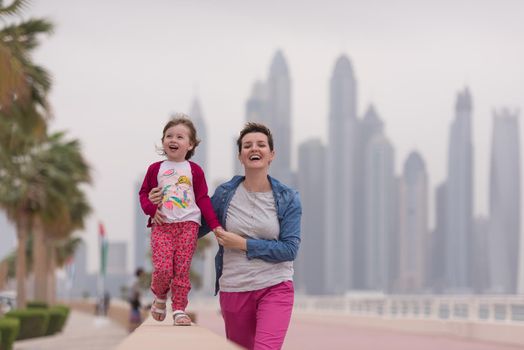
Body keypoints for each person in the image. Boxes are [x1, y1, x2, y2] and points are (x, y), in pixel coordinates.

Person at [150, 122, 301, 349]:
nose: (254, 149)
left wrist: (243, 244)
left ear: (271, 154)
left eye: (261, 145)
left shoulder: (288, 198)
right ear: (240, 155)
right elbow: (193, 227)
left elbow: (289, 250)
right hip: (234, 290)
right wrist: (164, 207)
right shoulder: (225, 194)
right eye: (247, 145)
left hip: (275, 286)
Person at [139, 114, 222, 326]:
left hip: (188, 225)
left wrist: (214, 225)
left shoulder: (194, 171)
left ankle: (179, 308)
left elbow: (203, 199)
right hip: (162, 226)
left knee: (182, 270)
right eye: (169, 136)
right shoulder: (155, 169)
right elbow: (144, 194)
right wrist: (150, 208)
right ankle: (159, 296)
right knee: (164, 268)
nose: (173, 140)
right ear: (163, 141)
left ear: (190, 144)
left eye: (180, 137)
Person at [129, 267, 145, 332]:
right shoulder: (137, 281)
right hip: (135, 300)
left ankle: (132, 329)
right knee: (135, 315)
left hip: (133, 300)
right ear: (140, 273)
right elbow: (137, 292)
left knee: (134, 313)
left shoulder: (135, 280)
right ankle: (133, 329)